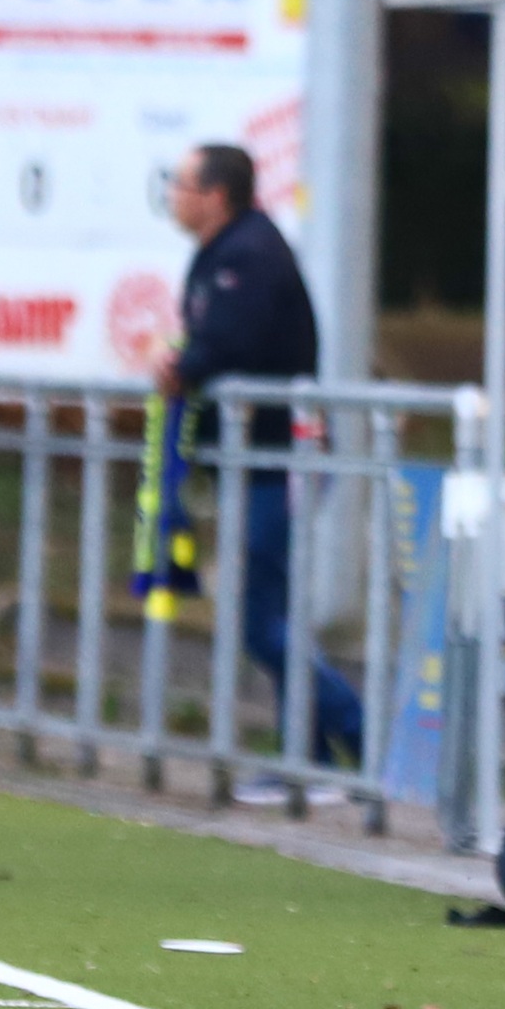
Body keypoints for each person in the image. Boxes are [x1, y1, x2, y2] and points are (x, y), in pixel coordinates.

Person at [156, 143, 364, 771]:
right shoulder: (225, 252)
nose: (173, 195)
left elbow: (229, 339)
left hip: (282, 461)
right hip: (259, 462)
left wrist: (183, 369)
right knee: (269, 614)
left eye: (182, 184)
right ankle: (309, 759)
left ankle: (365, 733)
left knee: (259, 619)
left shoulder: (250, 254)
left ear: (215, 195)